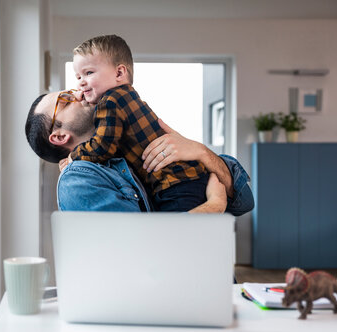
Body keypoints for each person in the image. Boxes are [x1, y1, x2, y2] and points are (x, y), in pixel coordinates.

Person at [25, 90, 254, 216]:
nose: (79, 93)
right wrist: (214, 206)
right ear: (59, 136)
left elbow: (243, 200)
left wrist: (202, 152)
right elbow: (143, 248)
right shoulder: (78, 180)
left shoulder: (127, 149)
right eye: (65, 100)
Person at [65, 34, 209, 212]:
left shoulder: (109, 102)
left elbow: (102, 147)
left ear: (119, 73)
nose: (81, 83)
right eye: (78, 77)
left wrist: (74, 155)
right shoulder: (129, 96)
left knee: (177, 236)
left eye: (89, 73)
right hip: (186, 179)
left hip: (174, 185)